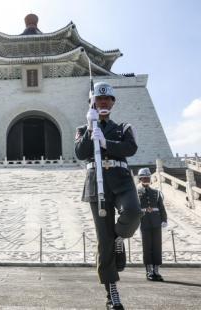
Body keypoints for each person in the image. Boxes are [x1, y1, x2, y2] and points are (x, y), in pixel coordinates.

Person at [75, 82, 142, 309]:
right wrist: (89, 126)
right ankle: (111, 291)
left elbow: (130, 148)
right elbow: (81, 154)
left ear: (113, 103)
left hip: (122, 181)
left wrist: (106, 142)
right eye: (98, 100)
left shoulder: (123, 127)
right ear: (92, 104)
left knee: (133, 212)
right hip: (97, 185)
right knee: (104, 241)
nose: (103, 102)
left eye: (107, 100)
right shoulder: (83, 129)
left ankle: (119, 238)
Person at [137, 167, 167, 281]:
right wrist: (144, 210)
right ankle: (149, 271)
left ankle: (156, 271)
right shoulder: (136, 193)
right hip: (144, 223)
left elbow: (161, 208)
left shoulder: (156, 193)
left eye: (148, 178)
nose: (146, 179)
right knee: (147, 247)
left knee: (157, 247)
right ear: (140, 179)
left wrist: (164, 220)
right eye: (144, 178)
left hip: (156, 222)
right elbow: (135, 208)